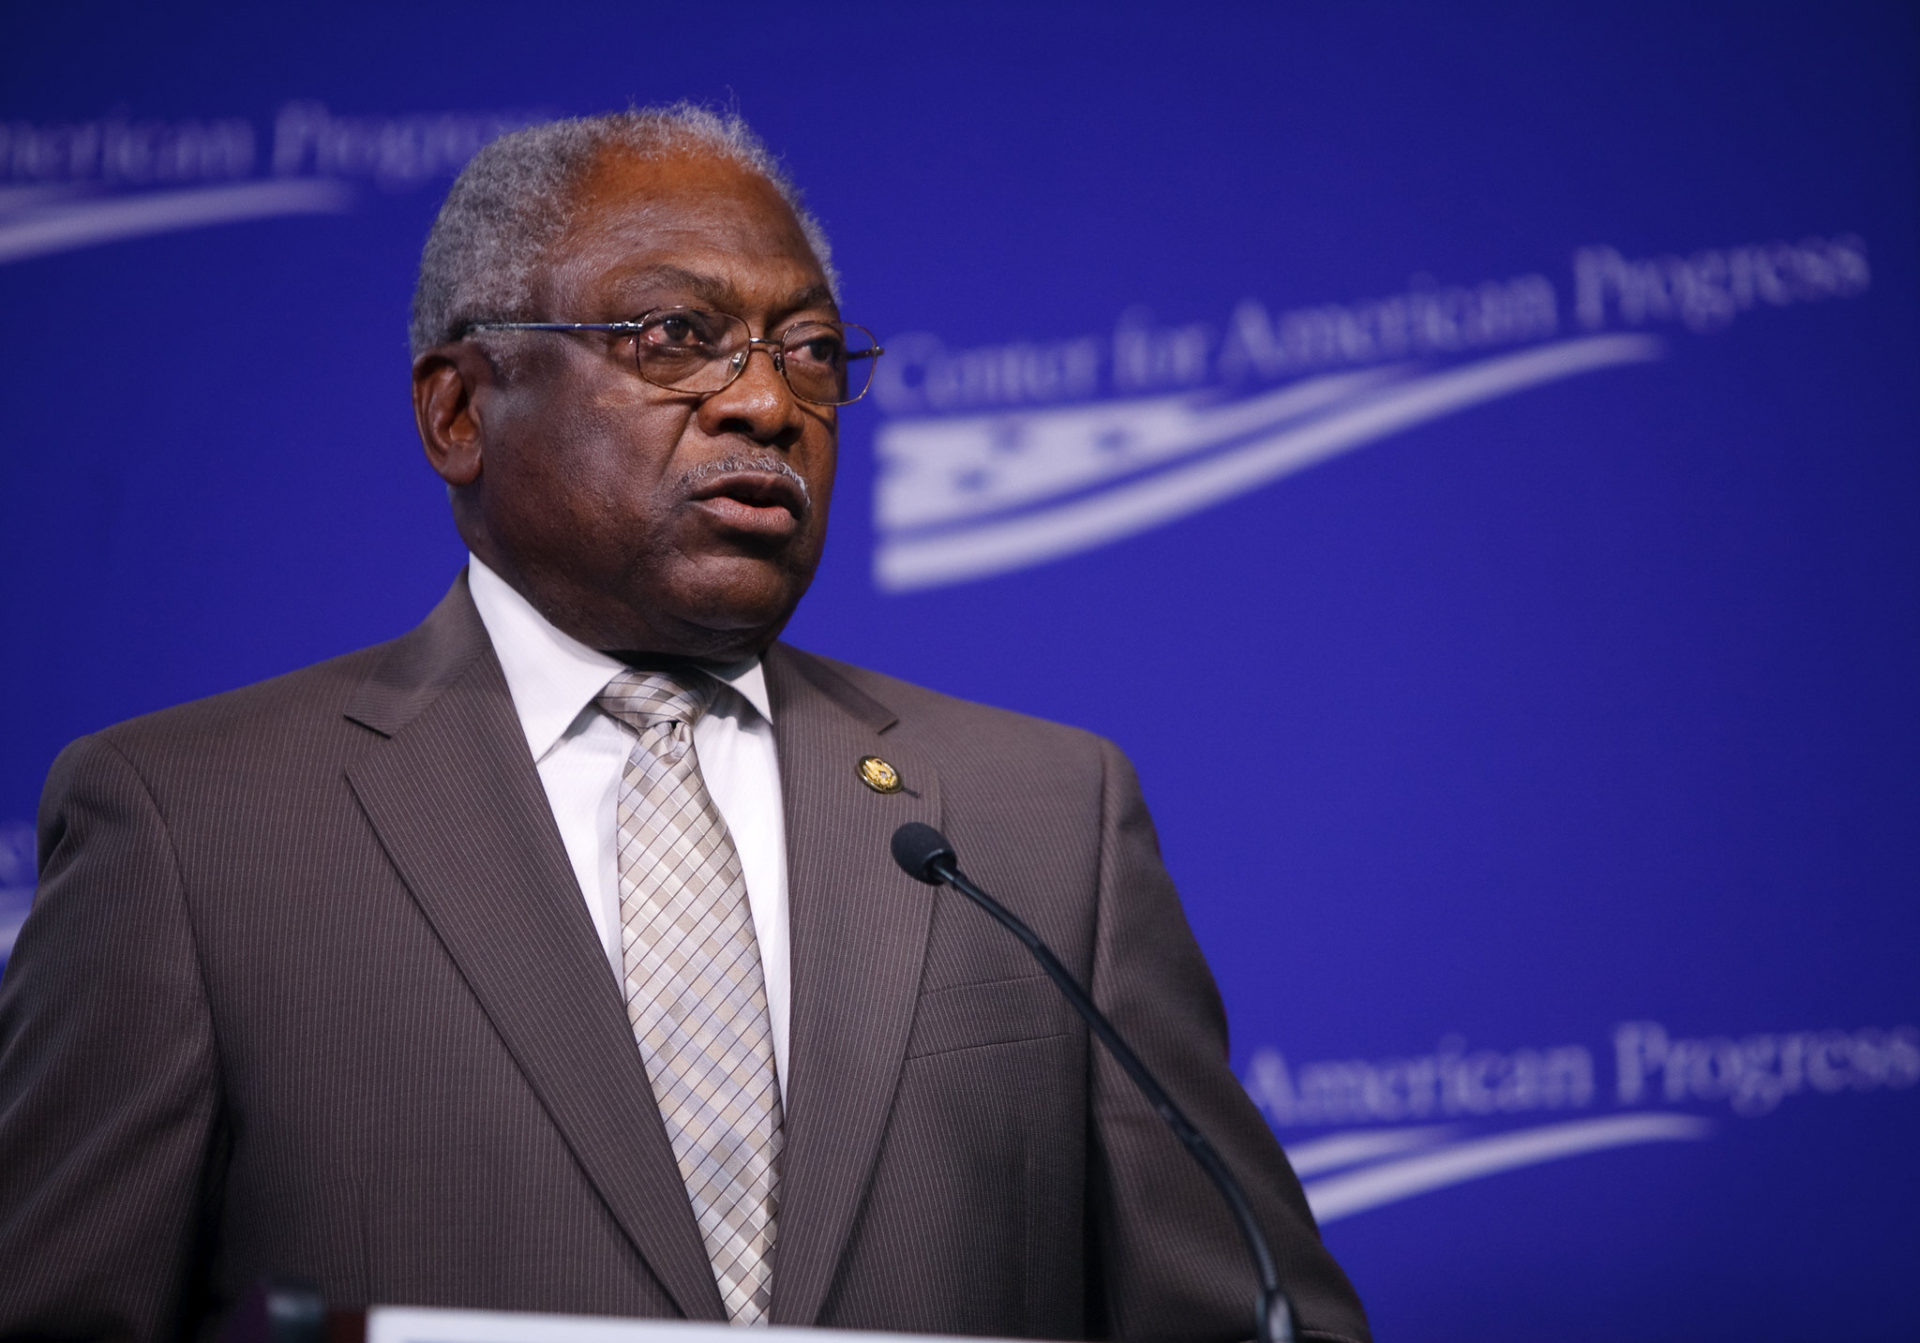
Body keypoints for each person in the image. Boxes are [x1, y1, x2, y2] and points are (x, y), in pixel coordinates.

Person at [0, 106, 1369, 1343]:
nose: (769, 403)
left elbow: (1247, 1314)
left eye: (816, 351)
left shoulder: (1040, 815)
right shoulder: (193, 826)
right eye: (675, 337)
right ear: (461, 409)